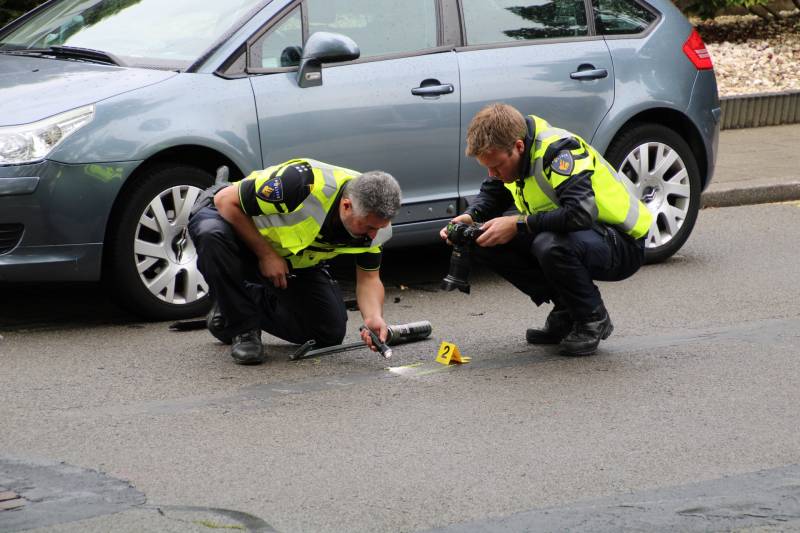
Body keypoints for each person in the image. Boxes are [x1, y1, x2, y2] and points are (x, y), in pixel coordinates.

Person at [440, 103, 653, 356]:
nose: (492, 173)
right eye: (487, 167)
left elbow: (579, 214)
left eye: (496, 166)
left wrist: (518, 224)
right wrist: (468, 216)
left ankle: (592, 318)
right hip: (577, 235)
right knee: (480, 238)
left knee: (550, 245)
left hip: (622, 242)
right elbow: (492, 194)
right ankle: (567, 310)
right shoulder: (509, 152)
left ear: (518, 147)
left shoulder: (560, 151)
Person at [188, 158, 402, 365]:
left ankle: (228, 306)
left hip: (291, 255)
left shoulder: (376, 226)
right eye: (368, 227)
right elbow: (225, 201)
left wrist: (373, 317)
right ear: (346, 206)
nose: (373, 235)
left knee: (328, 333)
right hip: (234, 221)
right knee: (210, 234)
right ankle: (243, 328)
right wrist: (267, 255)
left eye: (379, 228)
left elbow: (369, 279)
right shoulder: (301, 183)